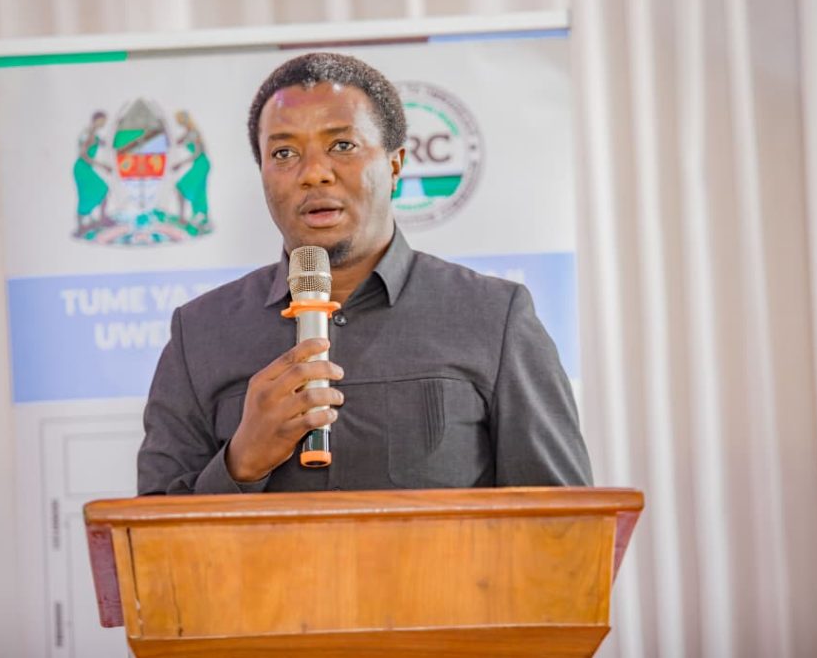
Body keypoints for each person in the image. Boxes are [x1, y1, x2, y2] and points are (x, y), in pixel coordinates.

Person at [137, 52, 591, 494]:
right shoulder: (200, 333)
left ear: (394, 164)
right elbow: (149, 550)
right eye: (283, 153)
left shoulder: (493, 317)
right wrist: (242, 462)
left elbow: (562, 532)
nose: (314, 173)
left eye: (342, 145)